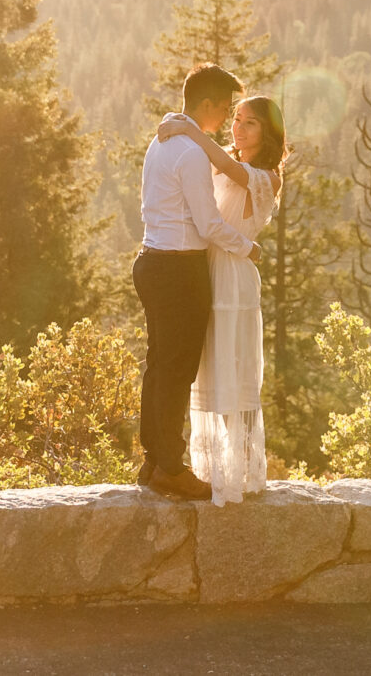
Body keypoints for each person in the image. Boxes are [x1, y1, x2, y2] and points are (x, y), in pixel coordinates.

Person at [133, 64, 252, 500]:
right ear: (205, 105)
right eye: (223, 107)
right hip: (179, 270)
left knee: (160, 366)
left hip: (151, 262)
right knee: (177, 371)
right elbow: (208, 224)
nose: (225, 116)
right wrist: (247, 247)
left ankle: (154, 460)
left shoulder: (164, 140)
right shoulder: (189, 152)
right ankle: (170, 467)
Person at [161, 93, 284, 504]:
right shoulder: (219, 158)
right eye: (237, 119)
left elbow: (230, 168)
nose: (238, 127)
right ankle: (213, 470)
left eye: (250, 123)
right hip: (204, 269)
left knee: (232, 371)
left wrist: (188, 128)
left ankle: (242, 469)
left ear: (268, 133)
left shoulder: (266, 175)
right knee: (208, 370)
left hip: (232, 275)